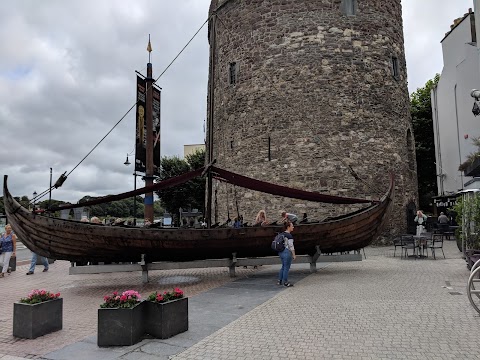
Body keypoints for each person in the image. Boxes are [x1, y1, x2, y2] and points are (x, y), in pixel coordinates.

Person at [277, 220, 296, 287]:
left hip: (281, 252)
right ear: (288, 227)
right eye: (292, 226)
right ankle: (285, 282)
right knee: (286, 268)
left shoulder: (282, 234)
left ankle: (280, 281)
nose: (293, 227)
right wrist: (294, 255)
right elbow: (291, 246)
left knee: (283, 266)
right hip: (286, 252)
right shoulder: (289, 235)